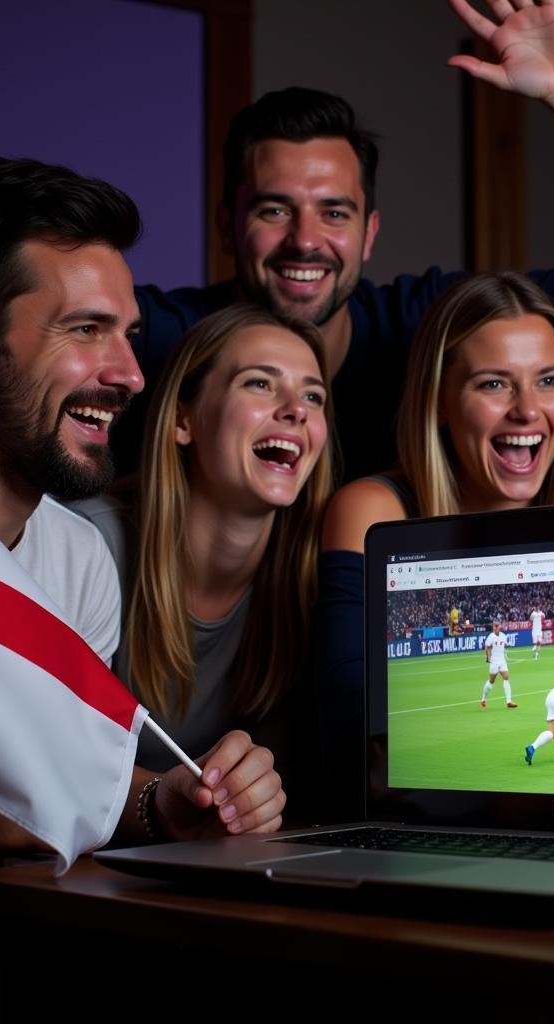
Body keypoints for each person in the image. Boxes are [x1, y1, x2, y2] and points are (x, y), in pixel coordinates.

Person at [0, 0, 554, 480]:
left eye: (334, 213)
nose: (304, 241)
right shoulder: (155, 341)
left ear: (370, 233)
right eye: (273, 209)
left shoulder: (438, 328)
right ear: (226, 225)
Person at [0, 157, 282, 986]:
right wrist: (17, 821)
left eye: (130, 335)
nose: (131, 375)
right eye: (84, 330)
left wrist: (161, 803)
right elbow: (29, 809)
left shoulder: (77, 558)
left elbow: (48, 777)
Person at [318, 272, 554, 813]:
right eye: (494, 383)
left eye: (549, 380)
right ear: (441, 400)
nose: (526, 409)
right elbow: (356, 749)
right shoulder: (373, 511)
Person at [74, 303, 332, 810]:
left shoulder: (314, 578)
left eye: (313, 396)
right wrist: (168, 803)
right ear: (182, 420)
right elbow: (45, 773)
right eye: (260, 384)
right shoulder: (87, 544)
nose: (296, 410)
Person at [483, 621, 517, 709]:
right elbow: (486, 647)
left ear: (499, 627)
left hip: (502, 660)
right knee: (491, 681)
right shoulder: (491, 636)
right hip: (494, 661)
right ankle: (483, 699)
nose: (494, 628)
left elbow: (504, 646)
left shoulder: (503, 636)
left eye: (496, 626)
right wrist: (487, 657)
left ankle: (509, 701)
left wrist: (506, 651)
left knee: (506, 677)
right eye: (494, 627)